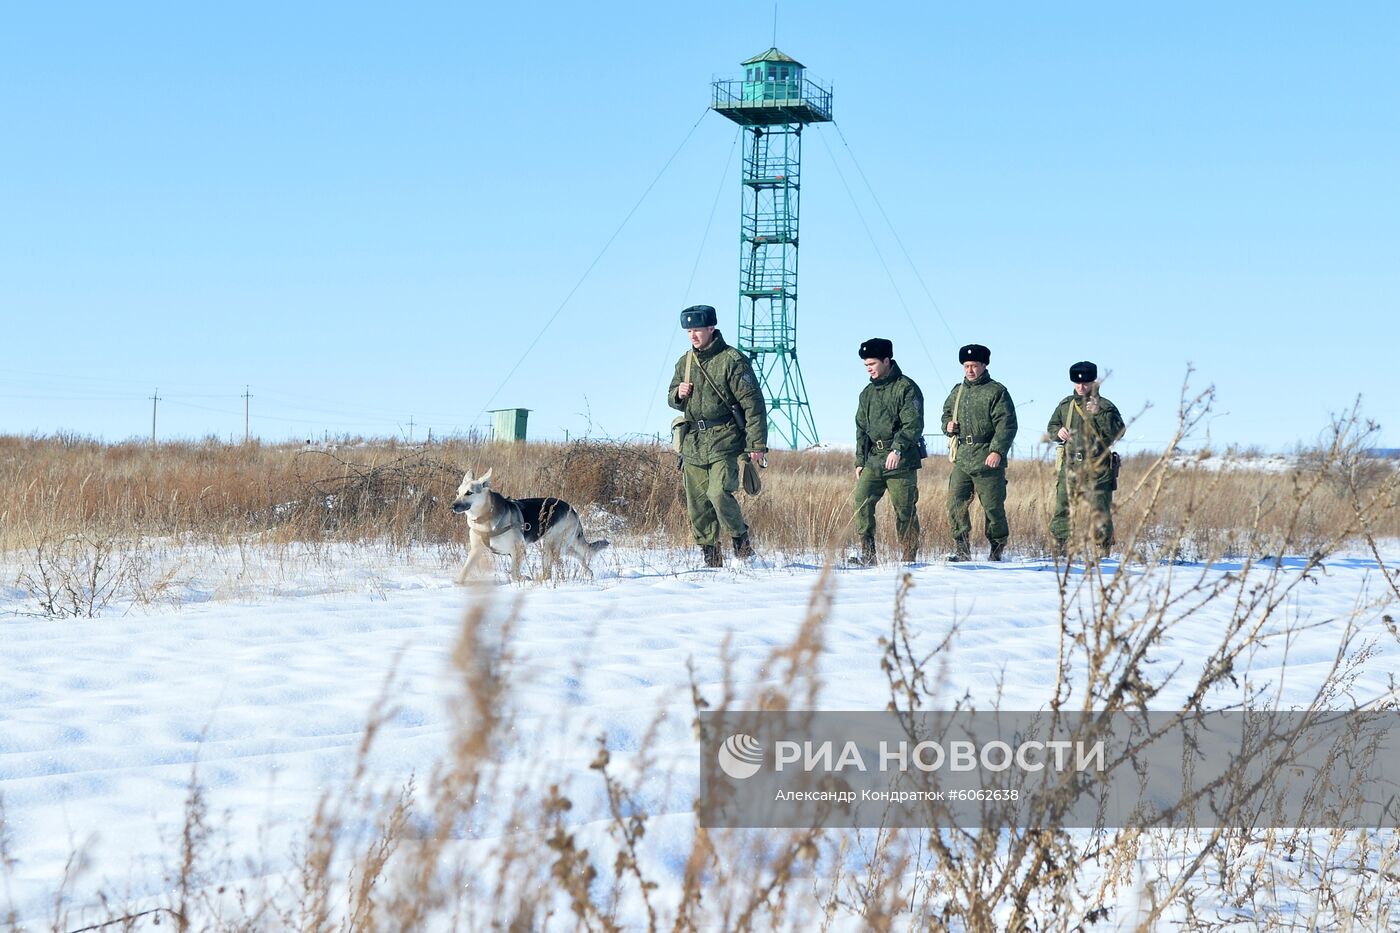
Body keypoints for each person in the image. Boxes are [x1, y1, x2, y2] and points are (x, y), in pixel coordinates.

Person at [667, 305, 768, 568]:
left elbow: (753, 403)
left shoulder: (733, 360)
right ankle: (711, 559)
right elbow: (671, 399)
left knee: (718, 493)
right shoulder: (685, 363)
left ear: (711, 328)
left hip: (725, 438)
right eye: (689, 331)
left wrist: (757, 444)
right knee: (697, 504)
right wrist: (679, 392)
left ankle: (741, 543)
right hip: (693, 442)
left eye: (697, 330)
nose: (692, 336)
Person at [941, 344, 1018, 561]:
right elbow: (946, 414)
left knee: (993, 507)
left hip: (988, 458)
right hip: (963, 458)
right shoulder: (958, 391)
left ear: (984, 365)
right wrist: (947, 426)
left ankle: (996, 549)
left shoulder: (997, 391)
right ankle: (962, 549)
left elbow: (1007, 425)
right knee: (955, 503)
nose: (970, 370)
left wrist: (997, 451)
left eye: (974, 365)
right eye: (966, 366)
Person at [853, 338, 925, 564]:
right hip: (874, 459)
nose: (869, 369)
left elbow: (913, 424)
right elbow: (861, 429)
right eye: (866, 365)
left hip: (900, 461)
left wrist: (898, 449)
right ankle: (868, 554)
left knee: (904, 509)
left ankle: (909, 557)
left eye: (872, 363)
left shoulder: (907, 388)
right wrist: (860, 461)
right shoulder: (866, 393)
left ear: (886, 360)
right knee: (861, 501)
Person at [1046, 360, 1125, 556]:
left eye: (1086, 383)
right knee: (1062, 508)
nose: (1081, 387)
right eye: (1078, 383)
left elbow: (1119, 432)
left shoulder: (1105, 406)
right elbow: (1051, 427)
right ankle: (1060, 548)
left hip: (1097, 465)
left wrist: (1099, 414)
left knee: (1100, 510)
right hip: (1070, 464)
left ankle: (1103, 550)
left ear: (1093, 382)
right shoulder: (1066, 405)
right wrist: (1058, 432)